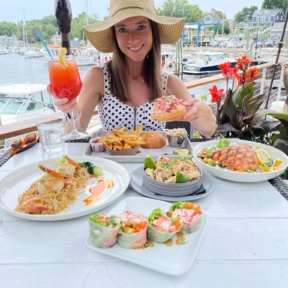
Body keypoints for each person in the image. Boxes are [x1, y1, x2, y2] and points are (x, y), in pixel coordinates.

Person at [50, 0, 216, 138]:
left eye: (141, 27)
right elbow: (75, 132)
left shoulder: (169, 82)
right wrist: (72, 111)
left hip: (154, 172)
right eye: (122, 29)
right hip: (112, 173)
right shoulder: (99, 76)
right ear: (115, 35)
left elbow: (207, 130)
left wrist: (204, 112)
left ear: (153, 31)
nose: (133, 38)